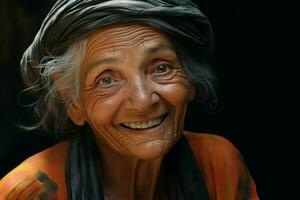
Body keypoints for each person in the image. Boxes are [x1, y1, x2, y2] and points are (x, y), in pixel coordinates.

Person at [0, 0, 259, 199]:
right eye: (107, 79)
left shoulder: (218, 163)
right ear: (73, 102)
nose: (143, 100)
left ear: (189, 79)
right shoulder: (31, 191)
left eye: (161, 68)